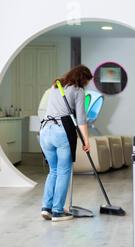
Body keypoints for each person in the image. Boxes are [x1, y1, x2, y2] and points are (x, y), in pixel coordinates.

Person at [40, 65, 92, 222]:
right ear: (83, 79)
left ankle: (46, 208)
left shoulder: (56, 86)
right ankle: (57, 211)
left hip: (45, 131)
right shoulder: (78, 90)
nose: (87, 84)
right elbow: (81, 119)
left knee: (53, 171)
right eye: (87, 81)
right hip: (61, 132)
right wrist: (86, 141)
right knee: (63, 172)